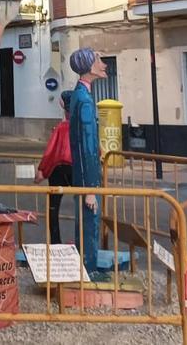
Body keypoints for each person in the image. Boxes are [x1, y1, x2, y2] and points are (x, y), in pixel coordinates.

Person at [68, 47, 107, 281]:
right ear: (89, 67)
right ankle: (88, 269)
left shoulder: (79, 95)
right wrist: (90, 188)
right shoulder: (84, 99)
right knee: (89, 223)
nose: (104, 64)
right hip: (86, 177)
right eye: (99, 60)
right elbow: (86, 145)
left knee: (84, 222)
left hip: (83, 175)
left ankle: (83, 266)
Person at [36, 91, 73, 244]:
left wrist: (42, 170)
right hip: (76, 168)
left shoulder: (60, 128)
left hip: (58, 169)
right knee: (83, 203)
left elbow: (50, 151)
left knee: (53, 206)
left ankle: (55, 242)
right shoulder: (81, 128)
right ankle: (81, 239)